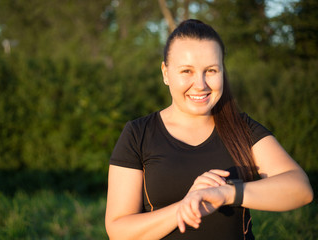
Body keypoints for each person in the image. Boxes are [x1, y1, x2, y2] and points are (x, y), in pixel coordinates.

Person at [105, 19, 313, 240]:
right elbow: (119, 232)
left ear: (222, 71)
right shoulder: (138, 134)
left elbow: (301, 189)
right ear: (165, 73)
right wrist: (186, 206)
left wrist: (226, 193)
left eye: (211, 70)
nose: (201, 84)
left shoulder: (243, 129)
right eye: (186, 71)